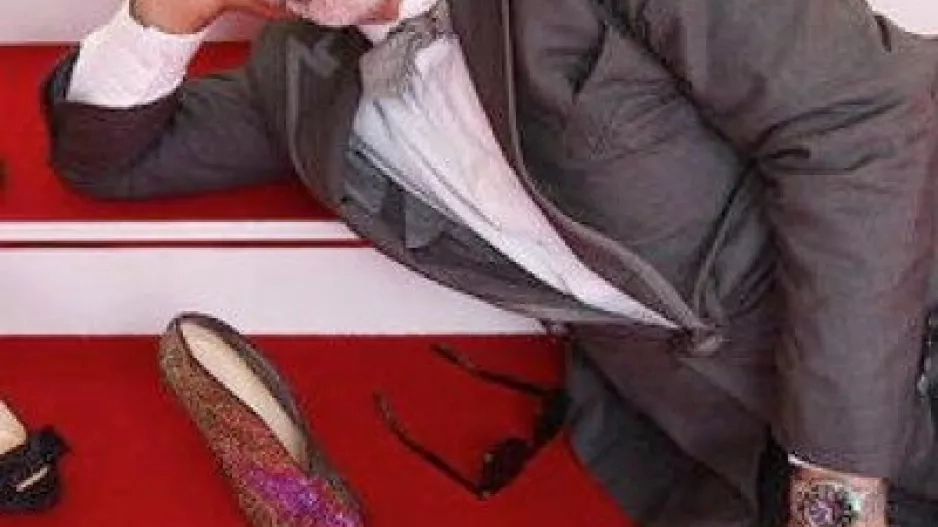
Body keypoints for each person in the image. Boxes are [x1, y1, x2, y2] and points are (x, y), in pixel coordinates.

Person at [41, 0, 938, 525]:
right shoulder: (301, 73)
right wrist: (170, 12)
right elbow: (108, 157)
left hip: (898, 321)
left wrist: (835, 486)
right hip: (722, 445)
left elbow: (861, 125)